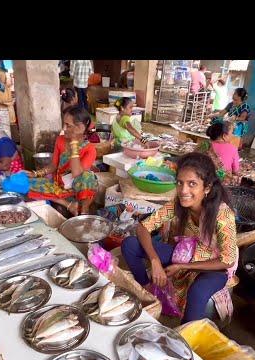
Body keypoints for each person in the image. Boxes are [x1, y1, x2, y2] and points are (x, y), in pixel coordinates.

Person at [121, 153, 238, 323]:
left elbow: (227, 260)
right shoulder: (178, 204)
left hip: (214, 266)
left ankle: (187, 340)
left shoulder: (223, 214)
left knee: (197, 292)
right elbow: (143, 227)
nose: (183, 191)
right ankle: (147, 291)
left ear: (207, 187)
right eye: (180, 183)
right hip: (186, 252)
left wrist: (181, 266)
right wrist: (154, 261)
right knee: (130, 244)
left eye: (192, 184)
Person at [23, 106, 98, 216]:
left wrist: (74, 143)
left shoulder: (90, 149)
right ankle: (69, 205)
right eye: (64, 124)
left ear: (80, 127)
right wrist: (36, 173)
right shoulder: (60, 140)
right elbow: (54, 165)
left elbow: (76, 173)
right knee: (24, 183)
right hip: (59, 185)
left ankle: (84, 210)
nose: (64, 128)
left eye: (68, 125)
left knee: (88, 176)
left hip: (76, 187)